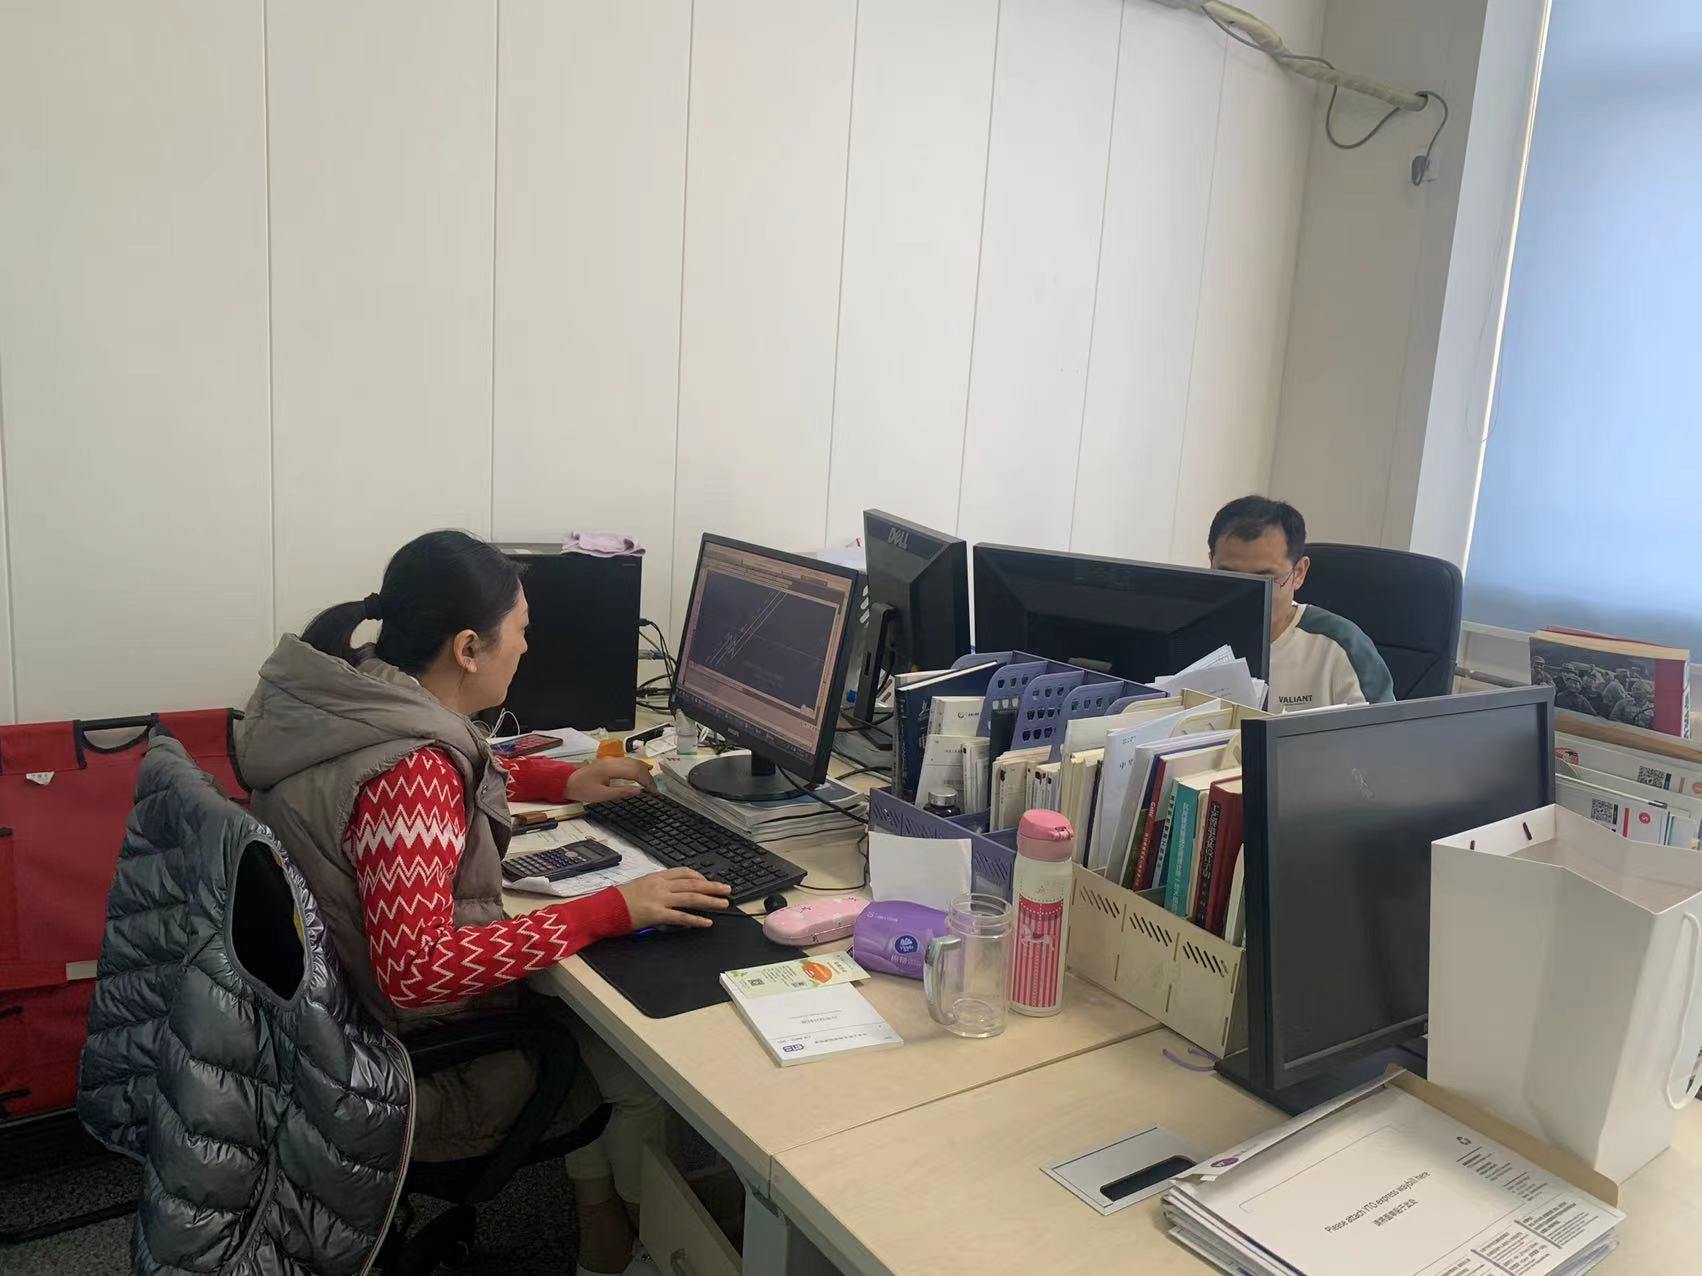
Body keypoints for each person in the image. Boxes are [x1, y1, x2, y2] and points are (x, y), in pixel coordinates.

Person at [237, 530, 730, 1276]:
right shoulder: (412, 777)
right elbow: (418, 972)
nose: (527, 647)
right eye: (521, 630)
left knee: (581, 1010)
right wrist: (611, 910)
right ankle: (649, 1252)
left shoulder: (357, 694)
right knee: (638, 1073)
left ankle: (600, 1235)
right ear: (469, 649)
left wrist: (561, 780)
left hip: (326, 1035)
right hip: (405, 1069)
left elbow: (457, 760)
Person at [1207, 495, 1394, 712]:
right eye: (1230, 577)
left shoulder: (1342, 645)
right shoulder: (1190, 634)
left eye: (1266, 580)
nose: (1244, 596)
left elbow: (1387, 732)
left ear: (1299, 573)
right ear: (1211, 563)